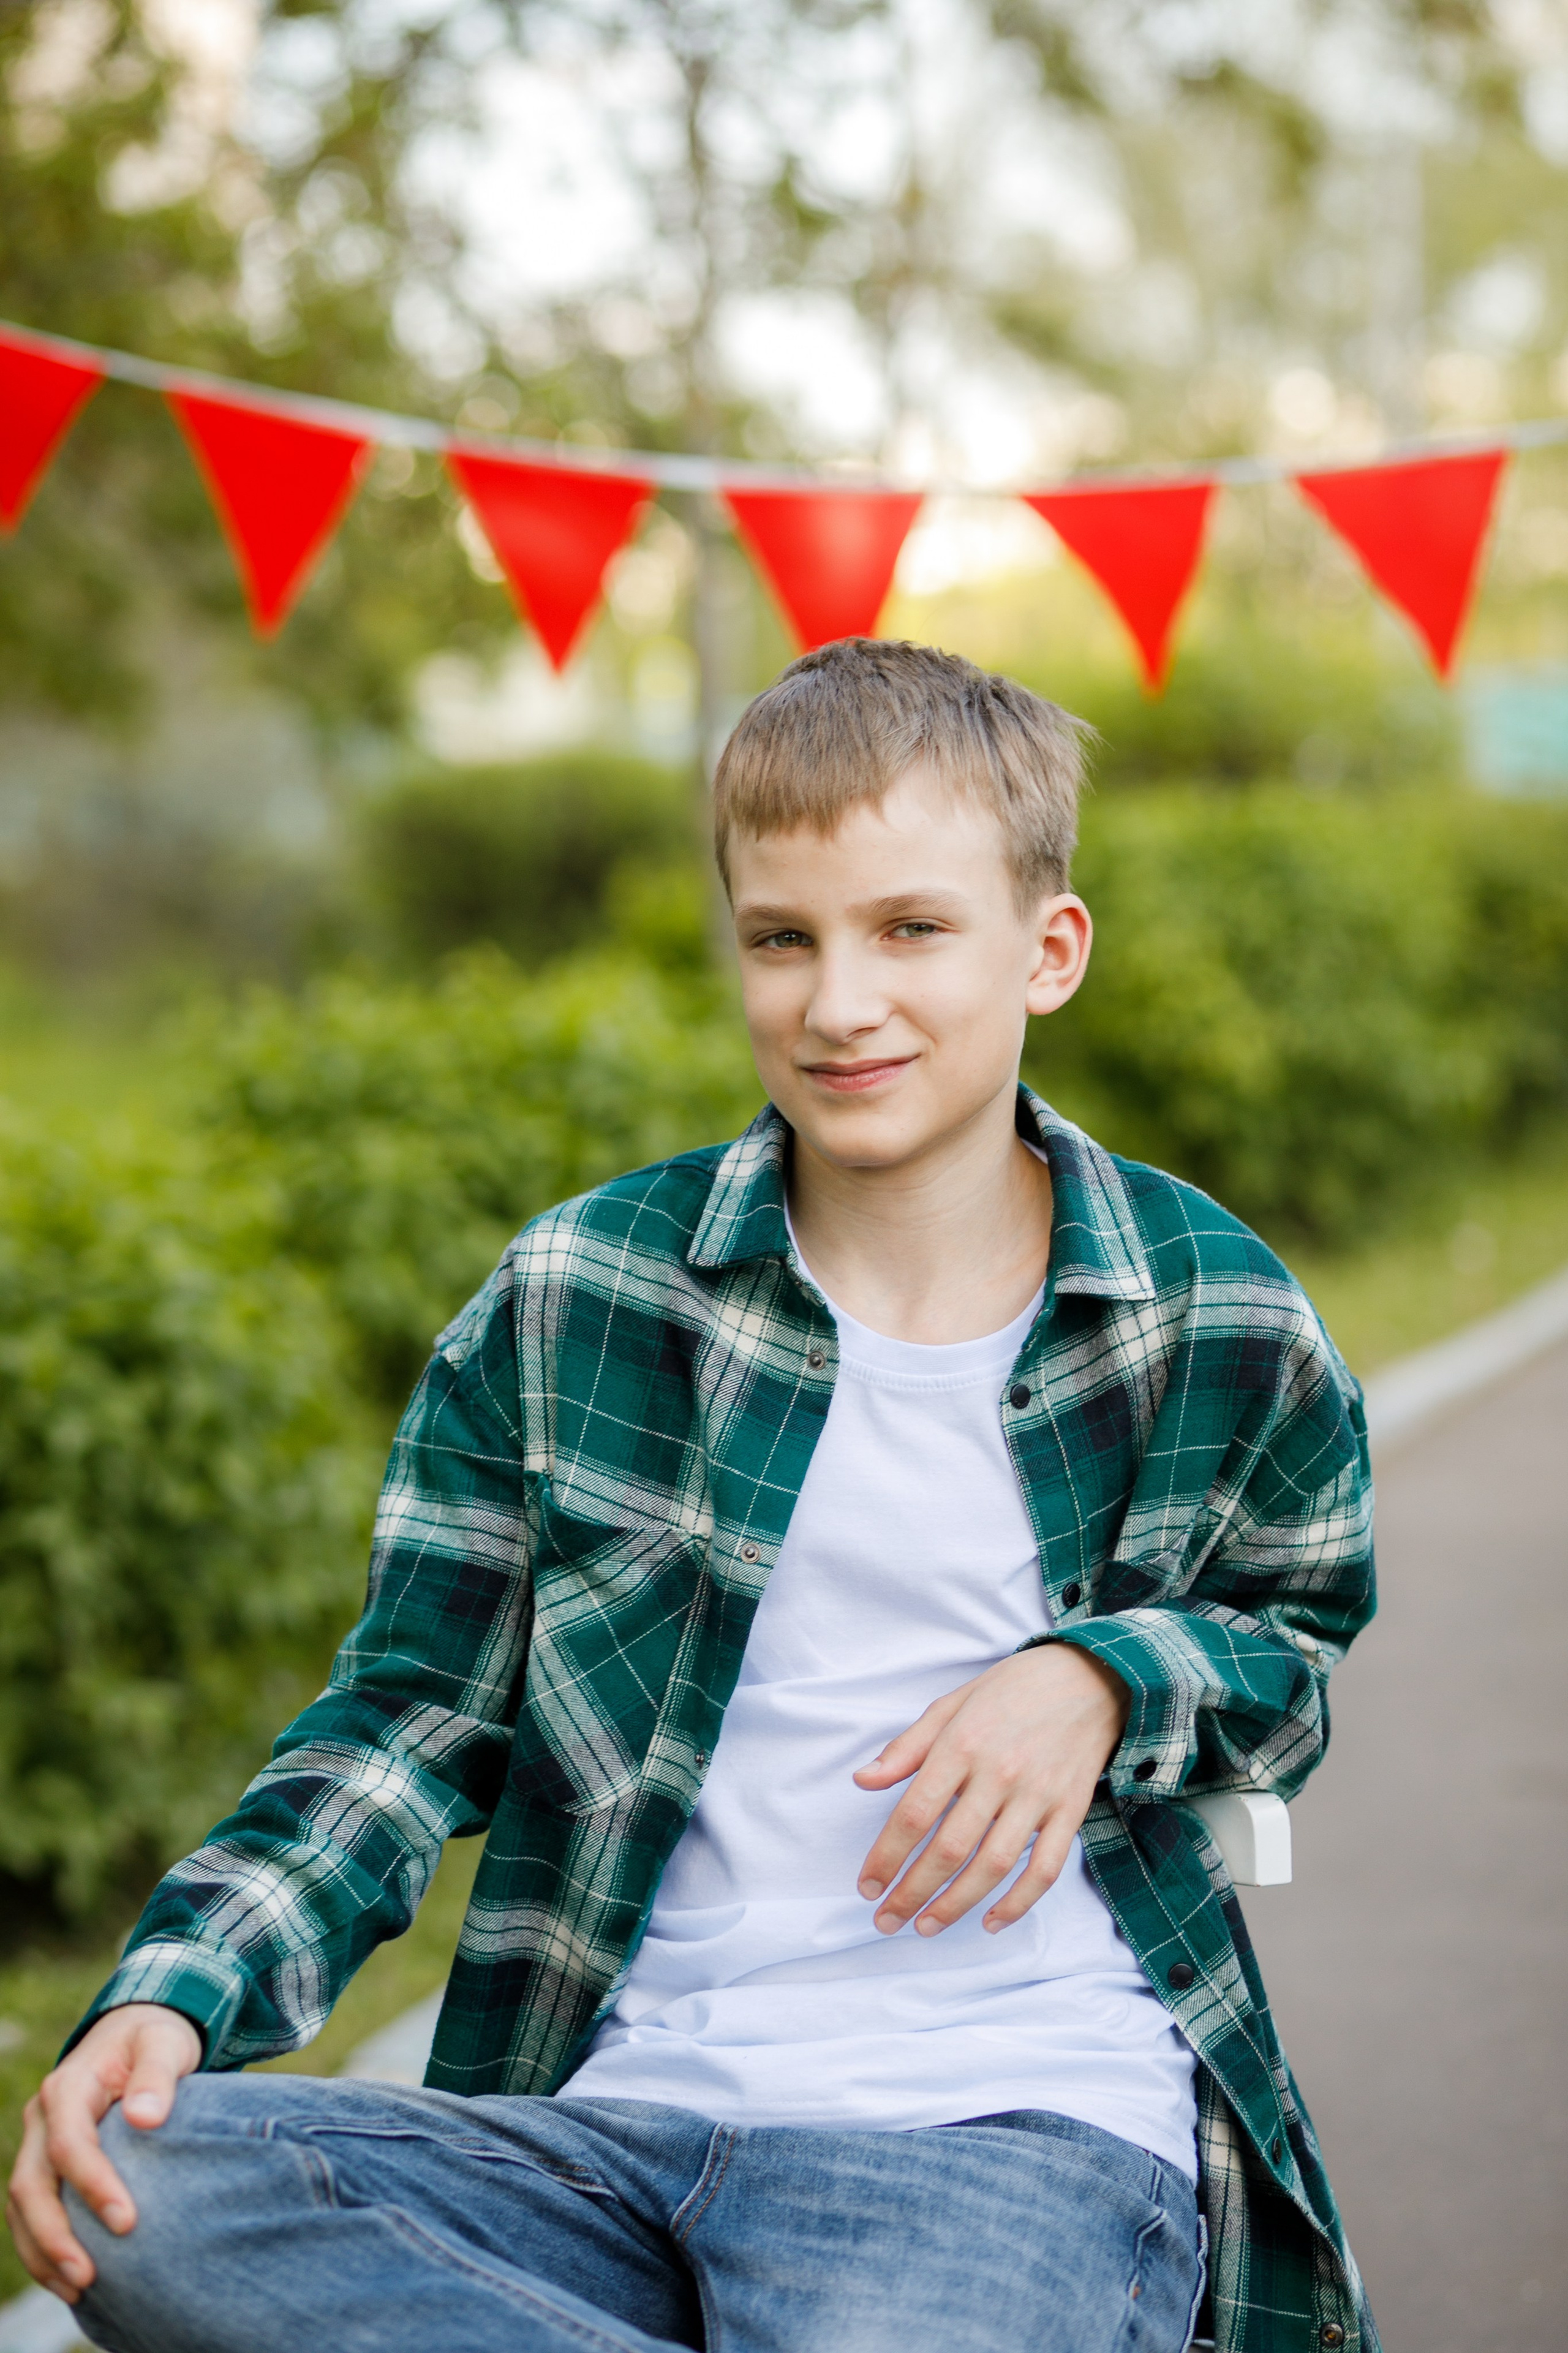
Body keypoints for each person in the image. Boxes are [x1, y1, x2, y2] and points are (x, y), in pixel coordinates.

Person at [7, 639, 1378, 2353]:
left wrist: (1105, 1676)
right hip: (609, 2123)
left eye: (909, 929)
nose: (837, 1001)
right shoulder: (581, 1291)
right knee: (132, 2180)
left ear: (1049, 948)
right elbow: (410, 1711)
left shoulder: (1209, 1307)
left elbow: (1294, 1646)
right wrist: (173, 1990)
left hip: (997, 2133)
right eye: (782, 937)